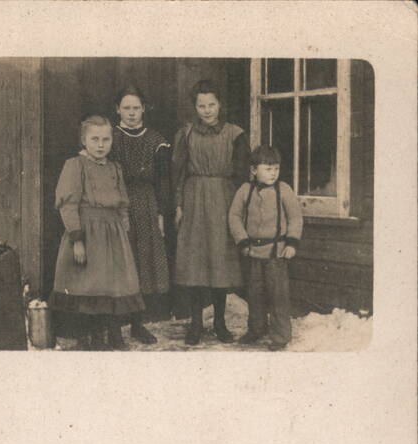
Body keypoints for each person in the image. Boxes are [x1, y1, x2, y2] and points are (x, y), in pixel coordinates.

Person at [49, 115, 144, 351]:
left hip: (113, 235)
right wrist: (77, 240)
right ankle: (88, 336)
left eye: (106, 139)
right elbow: (68, 205)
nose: (101, 145)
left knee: (113, 285)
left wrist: (123, 228)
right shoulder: (75, 165)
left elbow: (123, 202)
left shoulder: (115, 168)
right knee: (88, 285)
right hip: (88, 233)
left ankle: (112, 333)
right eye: (95, 139)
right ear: (84, 140)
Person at [172, 79, 250, 345]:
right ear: (195, 107)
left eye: (211, 104)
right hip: (194, 199)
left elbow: (241, 176)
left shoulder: (235, 134)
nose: (206, 110)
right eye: (201, 105)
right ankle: (195, 322)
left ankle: (220, 322)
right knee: (195, 262)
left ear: (220, 104)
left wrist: (239, 209)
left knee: (220, 262)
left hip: (223, 199)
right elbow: (177, 173)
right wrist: (179, 204)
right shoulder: (186, 134)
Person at [228, 145, 303, 350]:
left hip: (276, 252)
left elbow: (295, 217)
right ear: (254, 170)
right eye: (268, 169)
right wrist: (242, 240)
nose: (273, 173)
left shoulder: (284, 190)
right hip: (253, 251)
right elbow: (234, 216)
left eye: (276, 169)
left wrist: (292, 243)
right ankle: (256, 329)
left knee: (278, 295)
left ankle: (280, 336)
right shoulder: (245, 190)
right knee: (255, 293)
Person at [112, 86, 171, 344]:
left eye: (136, 108)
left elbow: (162, 180)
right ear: (118, 110)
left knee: (143, 262)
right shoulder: (109, 137)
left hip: (146, 204)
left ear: (144, 109)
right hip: (117, 203)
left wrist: (160, 213)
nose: (132, 113)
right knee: (119, 263)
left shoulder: (156, 140)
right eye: (126, 108)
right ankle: (114, 326)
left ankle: (138, 324)